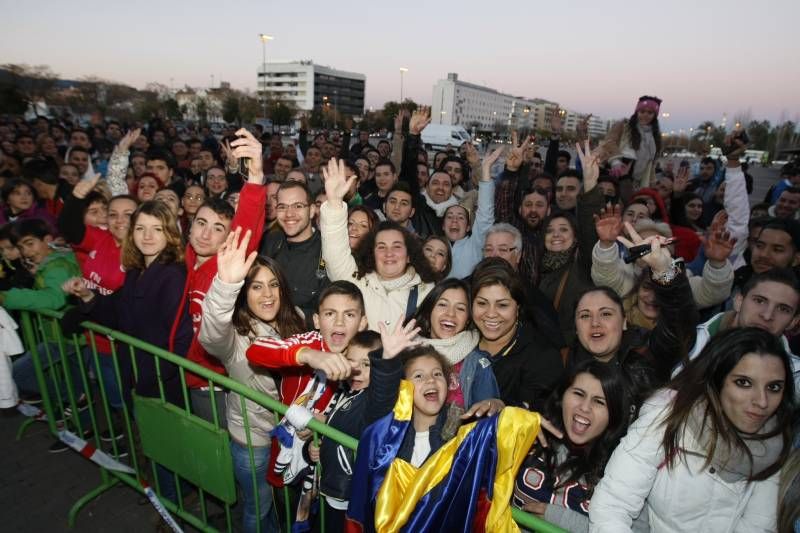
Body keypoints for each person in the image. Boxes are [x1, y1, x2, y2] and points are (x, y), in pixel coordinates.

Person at [590, 327, 796, 532]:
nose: (762, 401)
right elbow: (613, 504)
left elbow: (759, 528)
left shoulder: (773, 443)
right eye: (744, 383)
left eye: (774, 387)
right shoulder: (668, 415)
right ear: (716, 380)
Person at [198, 228, 305, 533]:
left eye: (273, 285)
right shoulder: (234, 334)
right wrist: (226, 285)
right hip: (253, 441)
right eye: (256, 287)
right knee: (258, 508)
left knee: (280, 505)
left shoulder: (296, 319)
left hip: (293, 438)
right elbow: (210, 333)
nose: (267, 294)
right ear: (244, 294)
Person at [245, 280, 368, 488]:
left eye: (349, 314)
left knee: (320, 516)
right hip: (285, 450)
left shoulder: (366, 362)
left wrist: (327, 422)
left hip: (330, 467)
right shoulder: (307, 342)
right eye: (330, 314)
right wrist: (308, 355)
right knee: (285, 507)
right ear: (317, 320)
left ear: (363, 323)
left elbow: (369, 415)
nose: (339, 322)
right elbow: (255, 351)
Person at [513, 360, 635, 532]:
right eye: (578, 393)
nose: (585, 407)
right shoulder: (531, 431)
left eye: (599, 402)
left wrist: (564, 520)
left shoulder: (624, 468)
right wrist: (499, 416)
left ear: (613, 416)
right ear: (562, 397)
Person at [320, 158, 437, 331]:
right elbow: (334, 254)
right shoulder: (357, 281)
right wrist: (335, 204)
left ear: (409, 255)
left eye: (397, 246)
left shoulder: (427, 292)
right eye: (381, 246)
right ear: (372, 253)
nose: (389, 253)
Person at [471, 258, 563, 411]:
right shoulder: (460, 342)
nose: (491, 314)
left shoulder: (542, 357)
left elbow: (539, 412)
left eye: (502, 305)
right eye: (482, 303)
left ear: (518, 308)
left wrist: (504, 408)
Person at [412, 278, 500, 410]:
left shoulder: (477, 364)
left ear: (468, 319)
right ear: (429, 311)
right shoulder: (407, 350)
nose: (450, 313)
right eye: (442, 305)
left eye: (460, 308)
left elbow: (487, 422)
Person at [260, 180, 329, 325]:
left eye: (298, 206)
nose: (289, 214)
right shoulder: (269, 242)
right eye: (282, 207)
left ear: (311, 211)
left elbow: (328, 311)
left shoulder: (327, 252)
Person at [599, 95, 663, 192]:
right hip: (615, 171)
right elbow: (609, 142)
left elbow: (651, 164)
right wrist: (616, 162)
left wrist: (653, 182)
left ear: (655, 116)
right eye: (642, 112)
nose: (645, 115)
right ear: (637, 112)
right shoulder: (624, 126)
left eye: (650, 113)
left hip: (634, 182)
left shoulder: (654, 138)